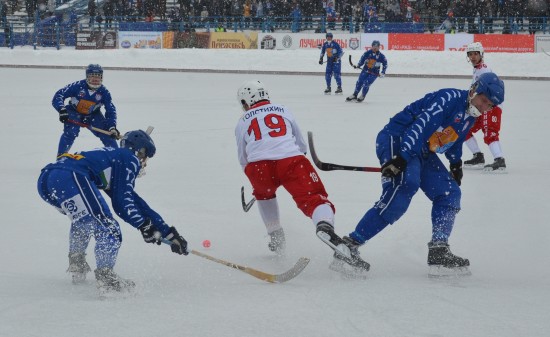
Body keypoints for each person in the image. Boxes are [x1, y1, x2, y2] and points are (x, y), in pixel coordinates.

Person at [339, 72, 505, 276]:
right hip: (399, 138)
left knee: (449, 193)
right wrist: (402, 157)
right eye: (483, 100)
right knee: (405, 185)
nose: (483, 107)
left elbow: (454, 139)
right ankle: (350, 244)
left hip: (422, 150)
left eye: (489, 105)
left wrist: (455, 163)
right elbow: (421, 125)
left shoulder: (469, 117)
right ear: (474, 90)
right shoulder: (449, 98)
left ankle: (439, 248)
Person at [234, 80, 369, 273]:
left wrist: (255, 177)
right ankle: (324, 226)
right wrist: (298, 167)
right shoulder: (282, 109)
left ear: (248, 101)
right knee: (314, 199)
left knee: (265, 195)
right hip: (290, 160)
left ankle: (275, 236)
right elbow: (300, 143)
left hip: (258, 166)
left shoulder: (242, 120)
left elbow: (242, 156)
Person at [37, 130, 189, 296]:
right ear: (141, 151)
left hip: (48, 179)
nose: (144, 163)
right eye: (146, 158)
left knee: (85, 220)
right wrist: (145, 226)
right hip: (72, 177)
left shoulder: (115, 158)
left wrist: (167, 232)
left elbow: (134, 200)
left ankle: (77, 263)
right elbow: (122, 204)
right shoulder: (129, 158)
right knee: (109, 228)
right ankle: (106, 278)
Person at [52, 64, 120, 157]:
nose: (95, 80)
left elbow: (110, 110)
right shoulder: (77, 86)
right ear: (87, 77)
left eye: (98, 77)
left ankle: (117, 158)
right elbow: (59, 95)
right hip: (74, 112)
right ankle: (61, 156)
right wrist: (62, 109)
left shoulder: (104, 92)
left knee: (107, 135)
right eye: (92, 77)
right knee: (71, 132)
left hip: (93, 115)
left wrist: (112, 127)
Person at [463, 42, 507, 171]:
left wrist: (489, 105)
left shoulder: (484, 69)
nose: (473, 57)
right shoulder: (477, 69)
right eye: (470, 54)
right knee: (464, 129)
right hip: (480, 107)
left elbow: (492, 89)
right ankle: (478, 156)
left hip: (490, 106)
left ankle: (499, 159)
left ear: (481, 54)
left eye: (475, 54)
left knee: (490, 131)